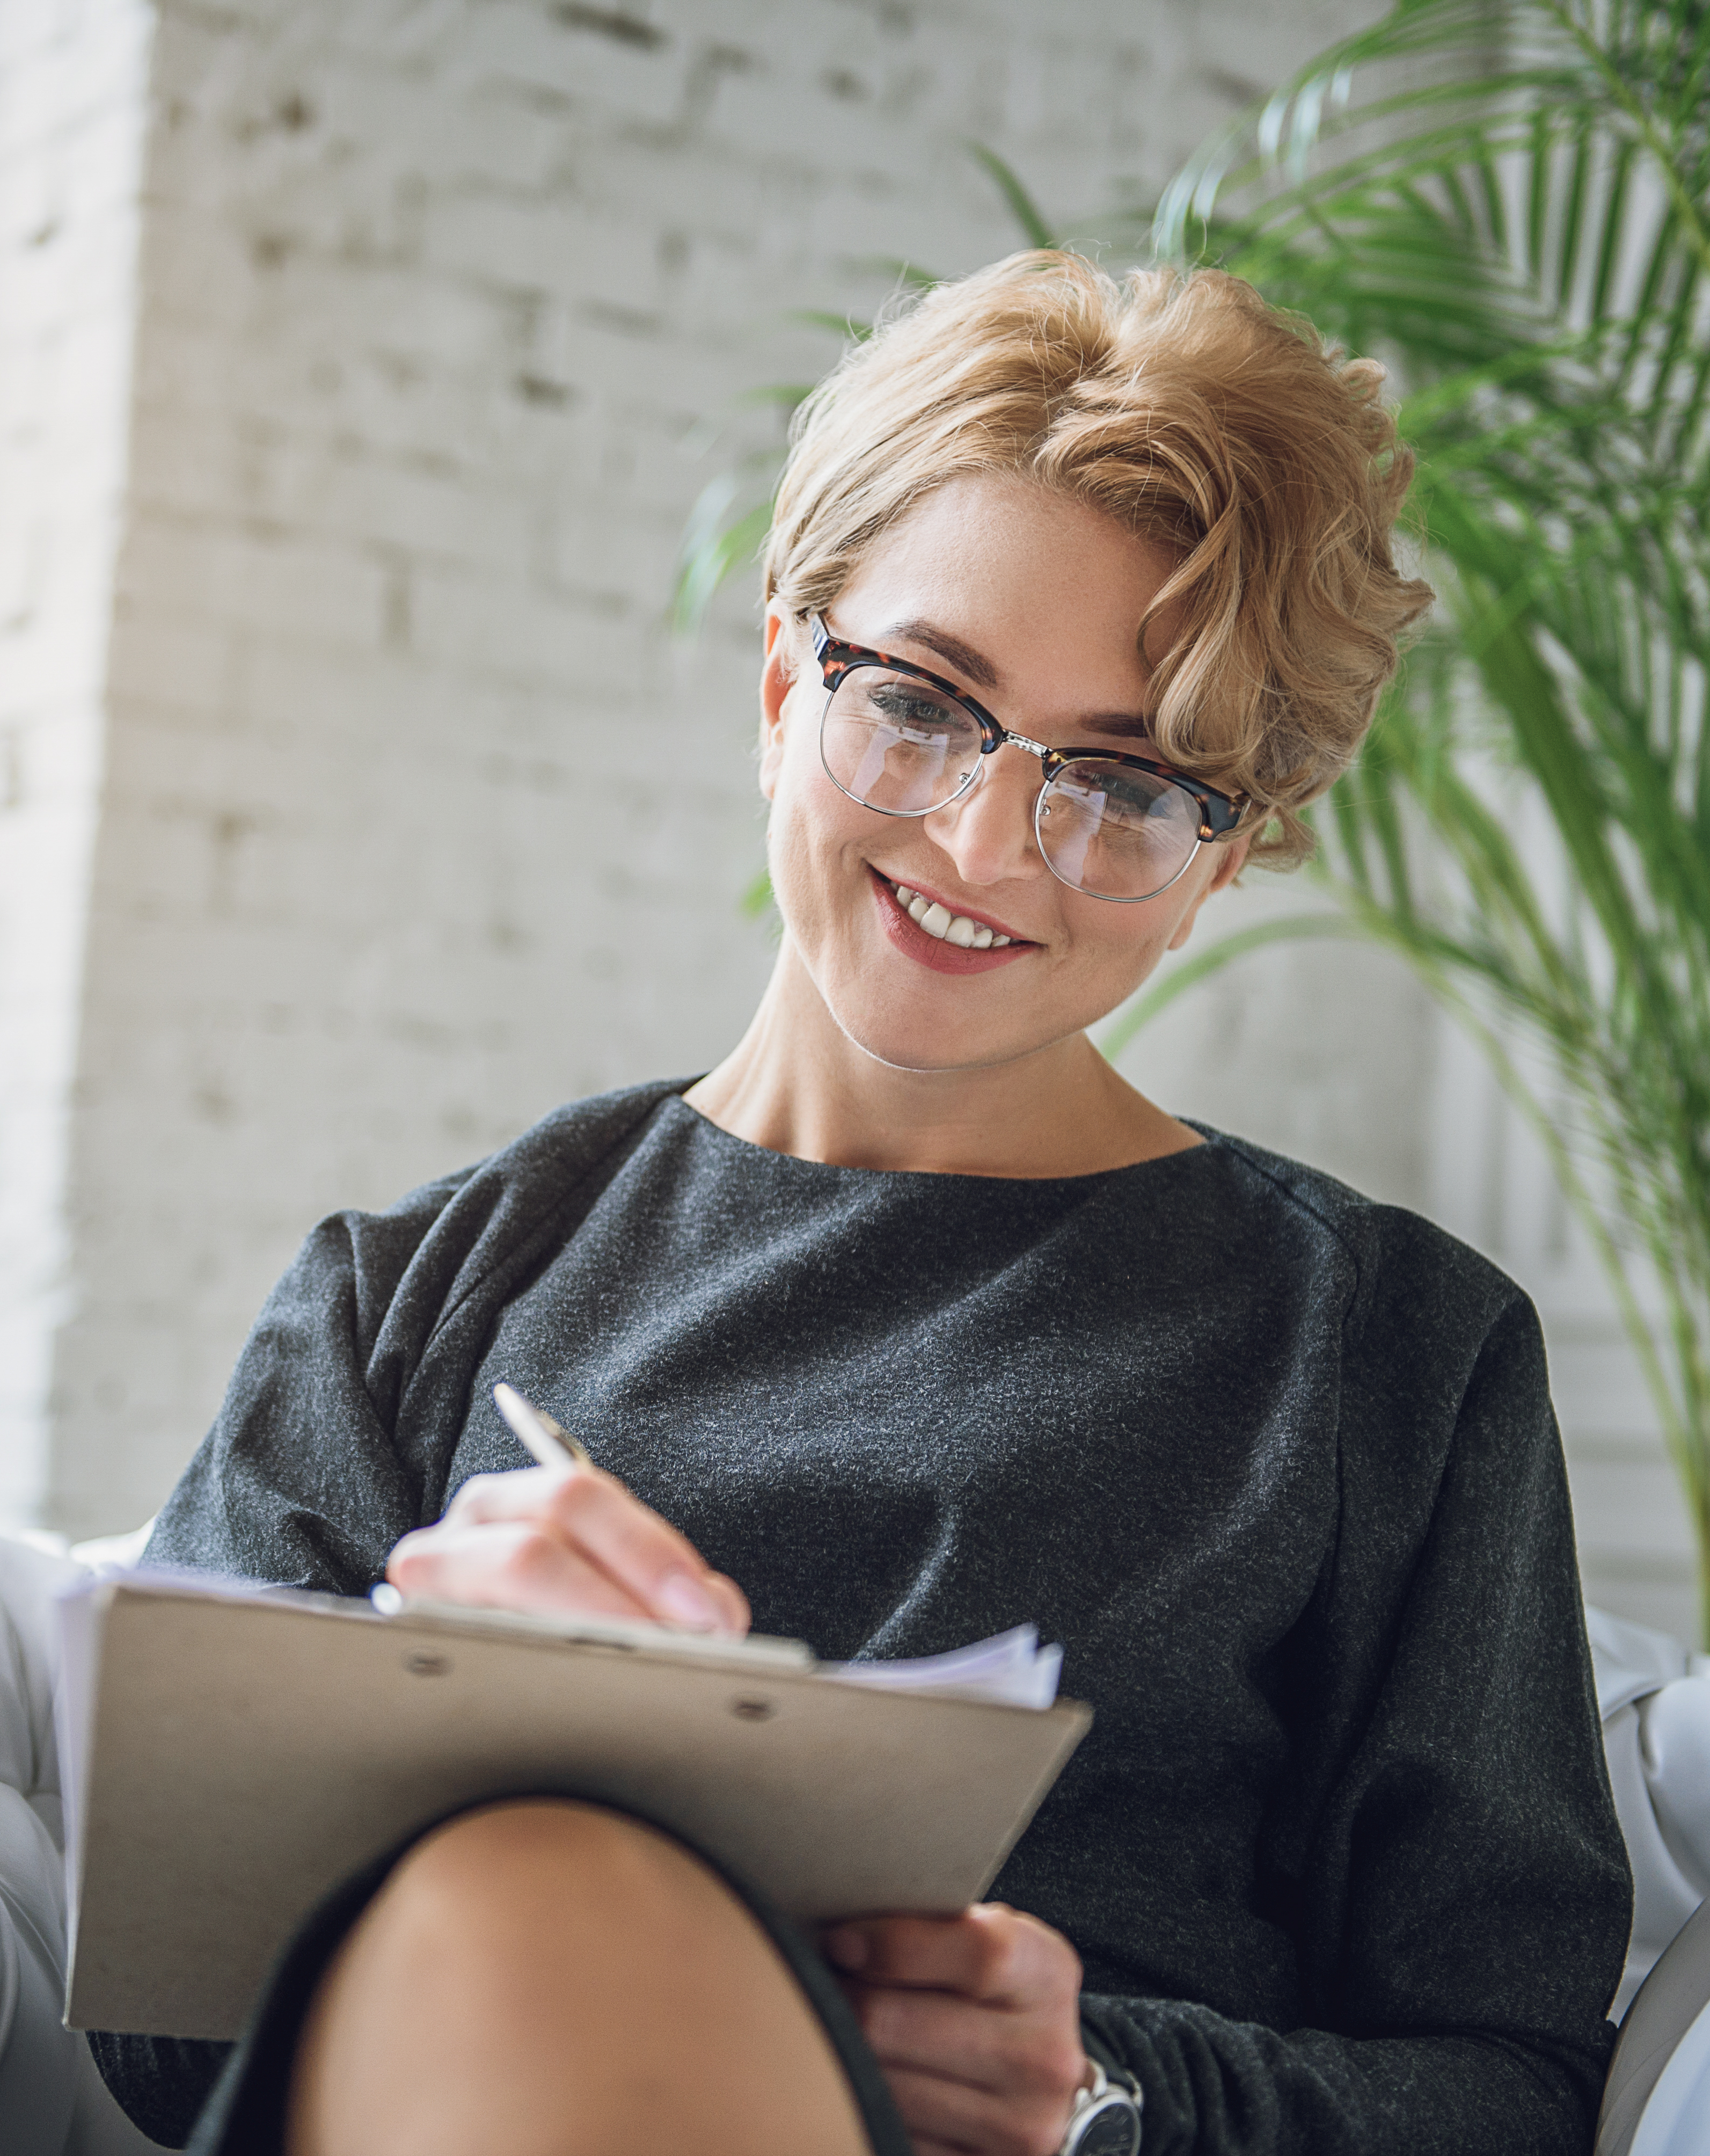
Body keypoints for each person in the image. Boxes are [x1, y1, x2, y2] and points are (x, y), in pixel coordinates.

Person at [91, 251, 1631, 2156]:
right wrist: (422, 1739)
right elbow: (157, 2046)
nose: (986, 844)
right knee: (535, 1890)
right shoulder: (410, 1297)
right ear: (778, 684)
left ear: (1225, 861)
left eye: (1129, 787)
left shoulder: (1390, 1352)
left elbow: (1516, 2092)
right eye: (921, 703)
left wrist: (1101, 2093)